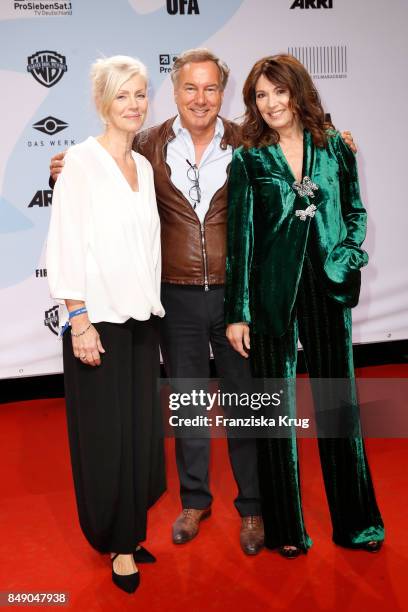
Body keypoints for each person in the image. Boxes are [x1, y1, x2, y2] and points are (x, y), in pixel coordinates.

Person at [49, 48, 356, 557]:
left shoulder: (249, 142)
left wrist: (336, 143)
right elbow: (100, 170)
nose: (201, 98)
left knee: (244, 406)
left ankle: (253, 507)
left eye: (211, 88)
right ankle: (194, 500)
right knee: (189, 404)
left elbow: (301, 153)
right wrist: (62, 167)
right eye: (190, 87)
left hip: (238, 299)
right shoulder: (146, 144)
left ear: (223, 92)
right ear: (174, 92)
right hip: (175, 296)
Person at [224, 54, 384, 558]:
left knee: (339, 408)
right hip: (272, 295)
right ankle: (287, 530)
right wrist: (237, 311)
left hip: (328, 290)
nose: (270, 104)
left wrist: (346, 255)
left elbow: (356, 211)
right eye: (260, 96)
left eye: (278, 92)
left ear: (297, 92)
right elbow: (241, 241)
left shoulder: (334, 146)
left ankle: (356, 525)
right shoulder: (249, 159)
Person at [46, 55, 166, 593]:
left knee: (139, 435)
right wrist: (79, 321)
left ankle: (131, 529)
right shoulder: (79, 163)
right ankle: (117, 544)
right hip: (99, 323)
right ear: (102, 103)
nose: (134, 105)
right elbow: (66, 245)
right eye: (122, 95)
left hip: (142, 320)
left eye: (140, 94)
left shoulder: (142, 165)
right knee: (106, 440)